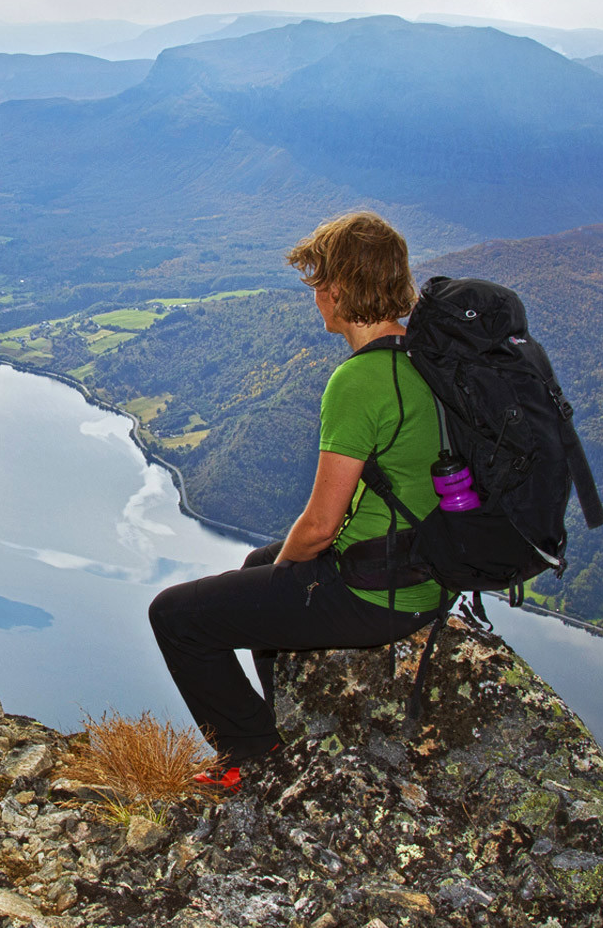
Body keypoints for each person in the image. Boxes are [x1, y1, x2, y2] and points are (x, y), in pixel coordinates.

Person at [148, 211, 448, 790]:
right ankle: (282, 718)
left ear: (337, 290)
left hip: (378, 594)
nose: (315, 296)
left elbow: (319, 526)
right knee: (259, 567)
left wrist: (289, 577)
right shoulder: (422, 361)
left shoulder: (358, 381)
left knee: (175, 615)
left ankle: (252, 755)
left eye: (317, 284)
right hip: (426, 578)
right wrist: (277, 577)